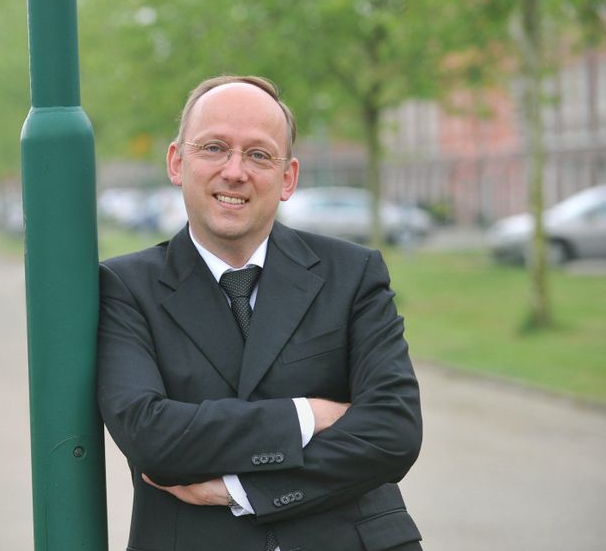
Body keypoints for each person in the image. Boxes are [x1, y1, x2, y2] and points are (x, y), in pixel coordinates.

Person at [97, 75, 423, 550]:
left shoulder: (353, 273)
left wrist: (240, 489)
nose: (235, 171)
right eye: (213, 148)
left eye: (258, 154)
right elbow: (152, 438)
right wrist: (306, 415)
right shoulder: (124, 287)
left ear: (287, 177)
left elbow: (393, 431)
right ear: (176, 161)